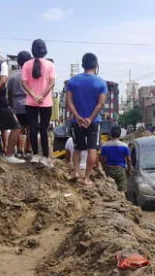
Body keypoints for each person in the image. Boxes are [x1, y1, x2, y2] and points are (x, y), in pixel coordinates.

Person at [65, 52, 107, 185]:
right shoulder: (101, 82)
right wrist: (90, 119)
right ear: (96, 65)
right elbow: (100, 104)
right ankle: (86, 178)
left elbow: (69, 102)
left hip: (77, 121)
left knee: (77, 148)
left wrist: (78, 117)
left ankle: (76, 172)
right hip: (94, 122)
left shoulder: (72, 81)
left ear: (83, 65)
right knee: (92, 148)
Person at [21, 39, 56, 167]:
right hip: (46, 102)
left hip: (30, 101)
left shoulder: (26, 64)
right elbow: (52, 83)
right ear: (44, 50)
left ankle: (35, 154)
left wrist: (34, 96)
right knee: (44, 129)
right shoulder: (50, 65)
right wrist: (42, 96)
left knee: (33, 128)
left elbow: (24, 84)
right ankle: (45, 157)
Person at [7, 51, 33, 159]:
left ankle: (19, 151)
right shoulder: (32, 76)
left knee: (18, 129)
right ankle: (29, 151)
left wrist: (11, 106)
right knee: (30, 128)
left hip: (16, 104)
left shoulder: (13, 76)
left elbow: (9, 93)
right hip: (30, 103)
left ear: (18, 62)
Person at [99, 126, 132, 192]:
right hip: (120, 170)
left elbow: (101, 159)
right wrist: (129, 170)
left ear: (110, 134)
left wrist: (104, 168)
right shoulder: (124, 146)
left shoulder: (104, 146)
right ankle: (122, 201)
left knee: (110, 189)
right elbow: (129, 160)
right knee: (122, 190)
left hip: (109, 169)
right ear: (120, 134)